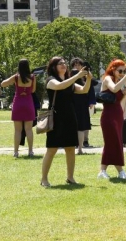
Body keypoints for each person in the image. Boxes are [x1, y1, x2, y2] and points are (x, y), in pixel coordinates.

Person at [40, 57, 92, 188]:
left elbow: (84, 90)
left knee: (70, 148)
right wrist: (77, 76)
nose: (63, 65)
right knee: (52, 149)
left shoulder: (70, 82)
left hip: (70, 117)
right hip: (56, 118)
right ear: (53, 67)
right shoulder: (51, 80)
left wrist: (88, 78)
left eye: (64, 63)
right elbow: (60, 86)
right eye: (60, 63)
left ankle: (70, 177)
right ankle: (44, 179)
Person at [98, 59, 126, 179]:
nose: (122, 73)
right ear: (113, 69)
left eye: (124, 71)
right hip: (108, 115)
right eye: (120, 71)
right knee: (113, 142)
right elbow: (113, 89)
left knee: (114, 141)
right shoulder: (107, 78)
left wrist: (124, 93)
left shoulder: (119, 81)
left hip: (118, 114)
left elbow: (119, 100)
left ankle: (103, 171)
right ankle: (120, 171)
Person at [0, 59, 36, 158]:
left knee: (17, 130)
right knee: (29, 129)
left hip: (18, 103)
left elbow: (3, 83)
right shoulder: (32, 77)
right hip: (28, 103)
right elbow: (33, 90)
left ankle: (16, 152)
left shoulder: (16, 77)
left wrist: (11, 81)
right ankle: (30, 151)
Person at [70, 58, 92, 155]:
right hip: (82, 107)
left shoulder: (69, 84)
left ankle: (73, 146)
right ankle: (80, 148)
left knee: (74, 128)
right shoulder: (83, 83)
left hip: (72, 107)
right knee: (81, 128)